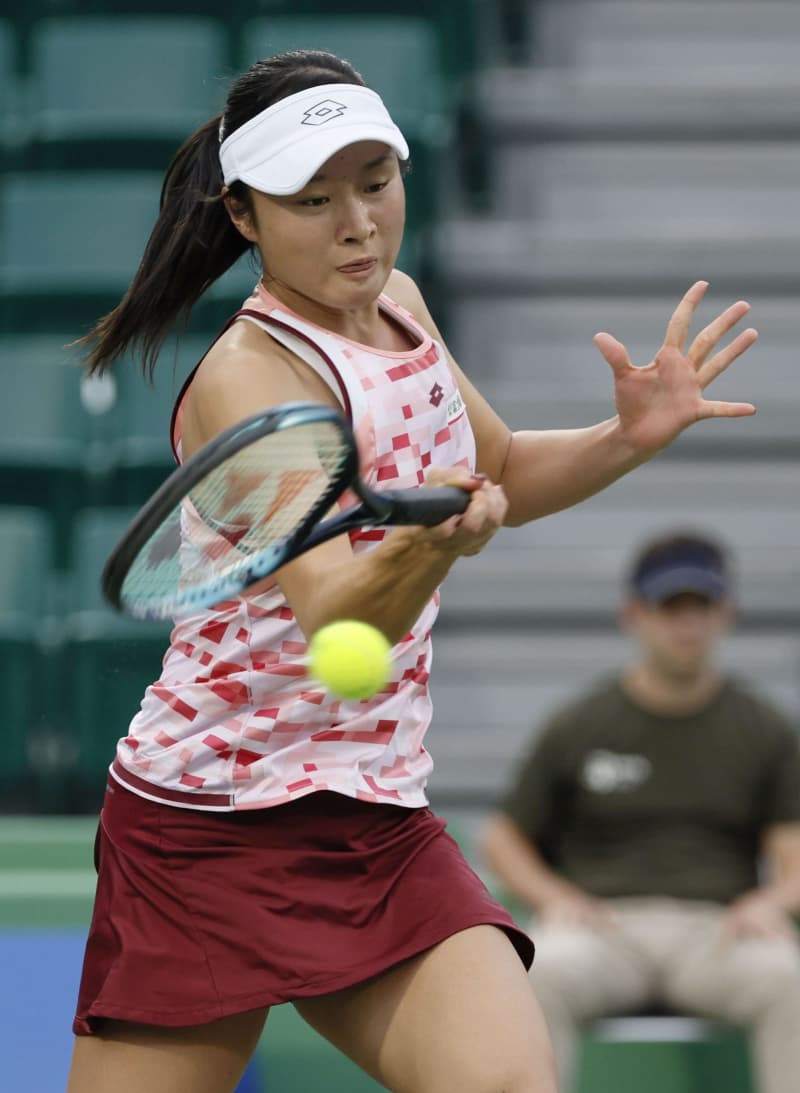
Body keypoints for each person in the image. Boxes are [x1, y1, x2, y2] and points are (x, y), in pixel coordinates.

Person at [67, 48, 760, 1093]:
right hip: (201, 830)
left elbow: (505, 470)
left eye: (374, 184)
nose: (355, 224)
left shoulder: (402, 303)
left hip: (372, 815)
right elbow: (336, 623)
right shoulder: (251, 378)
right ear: (245, 216)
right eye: (312, 200)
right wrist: (433, 544)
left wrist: (625, 438)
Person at [480, 531, 800, 1093]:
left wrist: (771, 901)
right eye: (669, 608)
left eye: (701, 607)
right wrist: (557, 899)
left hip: (716, 932)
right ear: (634, 614)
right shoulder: (582, 722)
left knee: (787, 978)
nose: (687, 625)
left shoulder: (763, 728)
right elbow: (503, 837)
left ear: (727, 613)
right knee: (538, 975)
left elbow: (792, 854)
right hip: (605, 928)